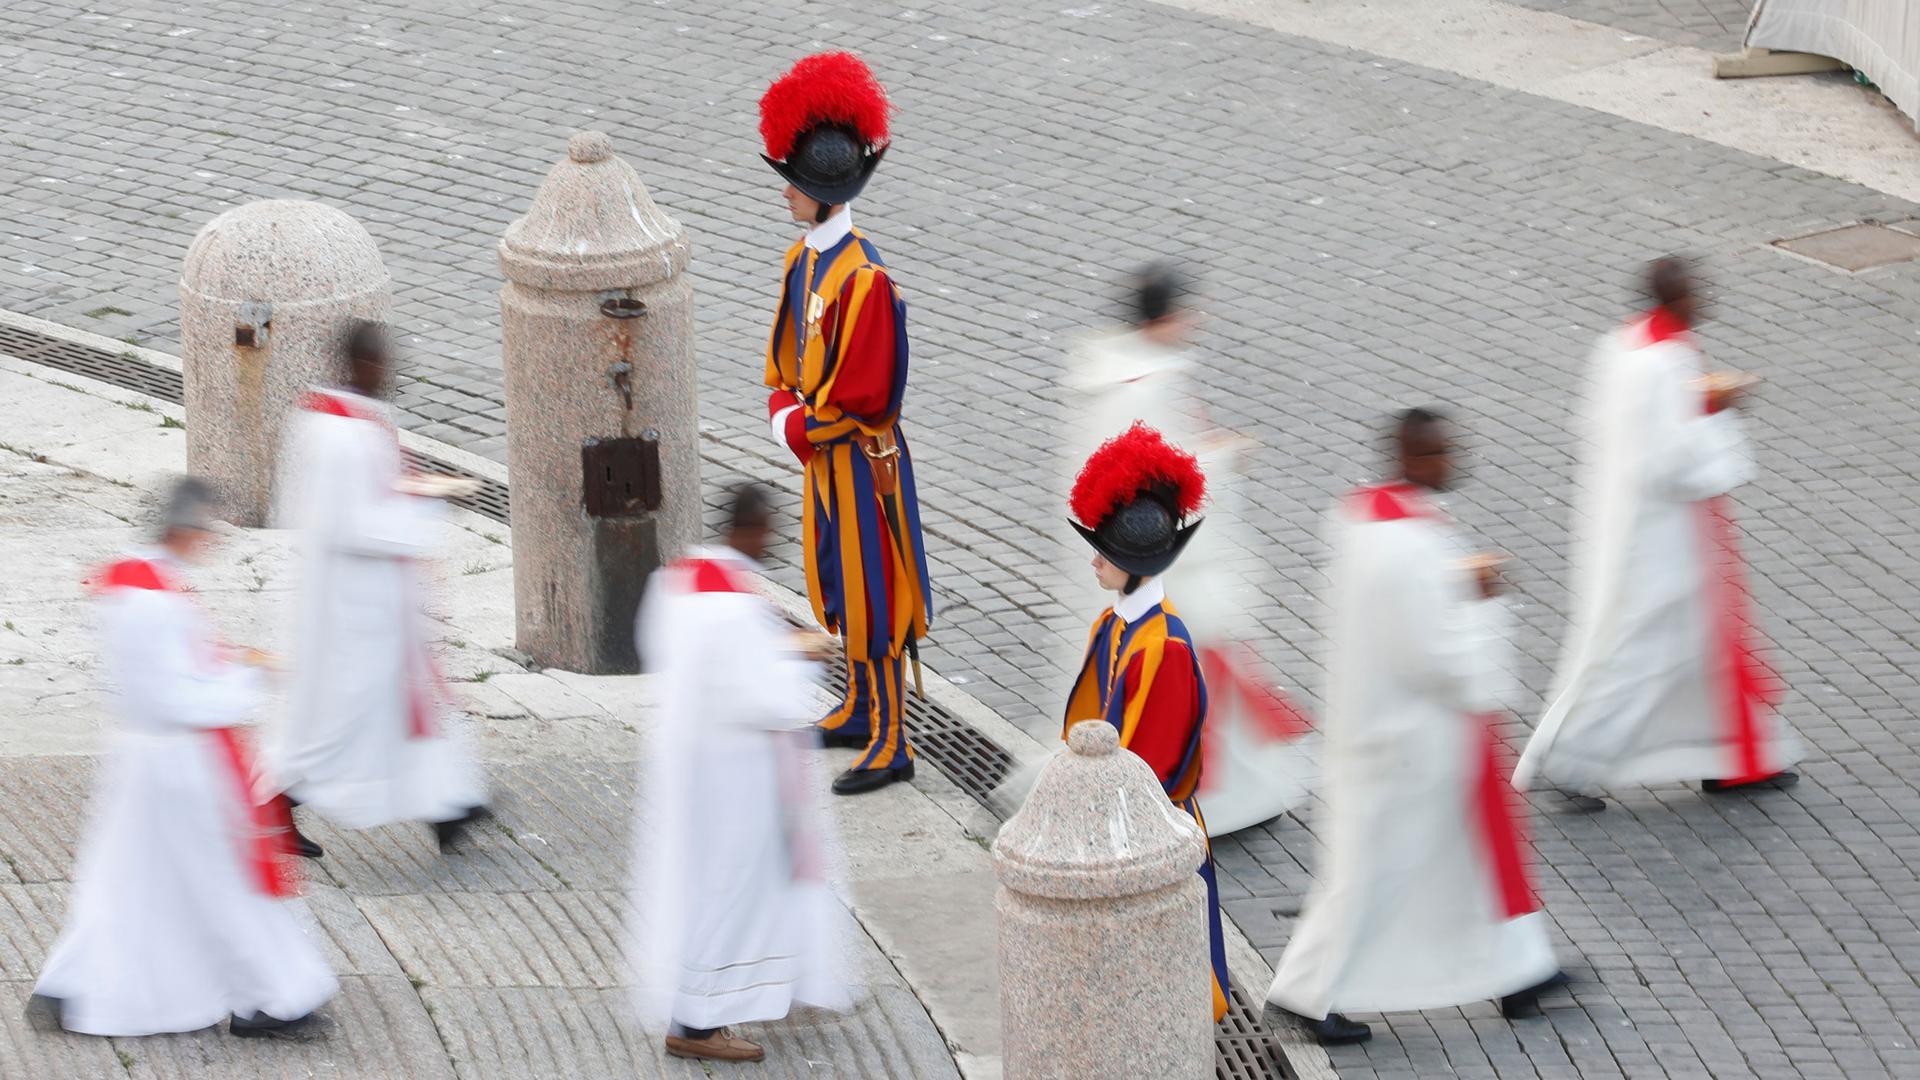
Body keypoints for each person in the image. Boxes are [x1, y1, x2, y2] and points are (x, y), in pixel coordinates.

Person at [1267, 410, 1565, 1045]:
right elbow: (1442, 661)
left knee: (1466, 859)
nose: (1450, 461)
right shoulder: (1406, 547)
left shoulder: (1364, 520)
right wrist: (1484, 601)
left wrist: (1456, 583)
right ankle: (1305, 991)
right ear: (1413, 459)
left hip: (1391, 735)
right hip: (1407, 745)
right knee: (1373, 876)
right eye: (1439, 453)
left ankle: (1521, 969)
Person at [28, 478, 337, 1039]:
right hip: (180, 763)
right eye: (205, 529)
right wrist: (247, 678)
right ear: (183, 529)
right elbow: (171, 697)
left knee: (125, 878)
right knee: (224, 881)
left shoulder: (137, 579)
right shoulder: (154, 603)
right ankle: (270, 998)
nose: (211, 539)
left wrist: (230, 663)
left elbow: (169, 673)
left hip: (143, 762)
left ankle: (71, 984)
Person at [1515, 257, 1799, 810]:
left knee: (1698, 653)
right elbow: (1674, 460)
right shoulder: (1665, 361)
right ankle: (1566, 764)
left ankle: (1729, 760)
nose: (1704, 300)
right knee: (1640, 657)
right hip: (1663, 538)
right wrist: (1720, 408)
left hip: (1636, 526)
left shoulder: (1625, 346)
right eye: (1696, 292)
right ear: (1677, 300)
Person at [1065, 264, 1315, 835]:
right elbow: (1171, 479)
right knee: (1196, 676)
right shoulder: (1150, 385)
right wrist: (1228, 457)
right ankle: (1209, 797)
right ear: (1169, 317)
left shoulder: (1113, 373)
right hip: (1171, 560)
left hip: (1140, 557)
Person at [758, 51, 932, 796]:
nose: (787, 193)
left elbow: (863, 397)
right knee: (836, 580)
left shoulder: (865, 280)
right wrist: (785, 411)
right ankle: (861, 707)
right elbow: (785, 360)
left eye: (796, 183)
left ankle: (894, 738)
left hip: (861, 460)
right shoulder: (805, 259)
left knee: (875, 595)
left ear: (827, 194)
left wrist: (795, 427)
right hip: (825, 458)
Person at [630, 483, 850, 1063]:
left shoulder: (685, 576)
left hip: (698, 770)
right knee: (729, 898)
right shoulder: (730, 609)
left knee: (713, 891)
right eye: (767, 528)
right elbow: (768, 699)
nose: (772, 539)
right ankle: (697, 1023)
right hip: (736, 788)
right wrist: (805, 656)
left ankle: (740, 994)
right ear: (748, 529)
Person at [266, 320, 487, 846]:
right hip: (357, 609)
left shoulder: (335, 419)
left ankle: (452, 803)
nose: (390, 373)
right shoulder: (341, 434)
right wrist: (429, 508)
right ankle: (275, 801)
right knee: (346, 718)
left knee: (411, 709)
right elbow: (349, 524)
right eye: (381, 363)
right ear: (359, 365)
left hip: (371, 601)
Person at [1063, 423, 1229, 1023]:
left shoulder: (1168, 648)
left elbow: (1153, 770)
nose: (1094, 561)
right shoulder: (1112, 627)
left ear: (1134, 565)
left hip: (1146, 825)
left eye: (1104, 553)